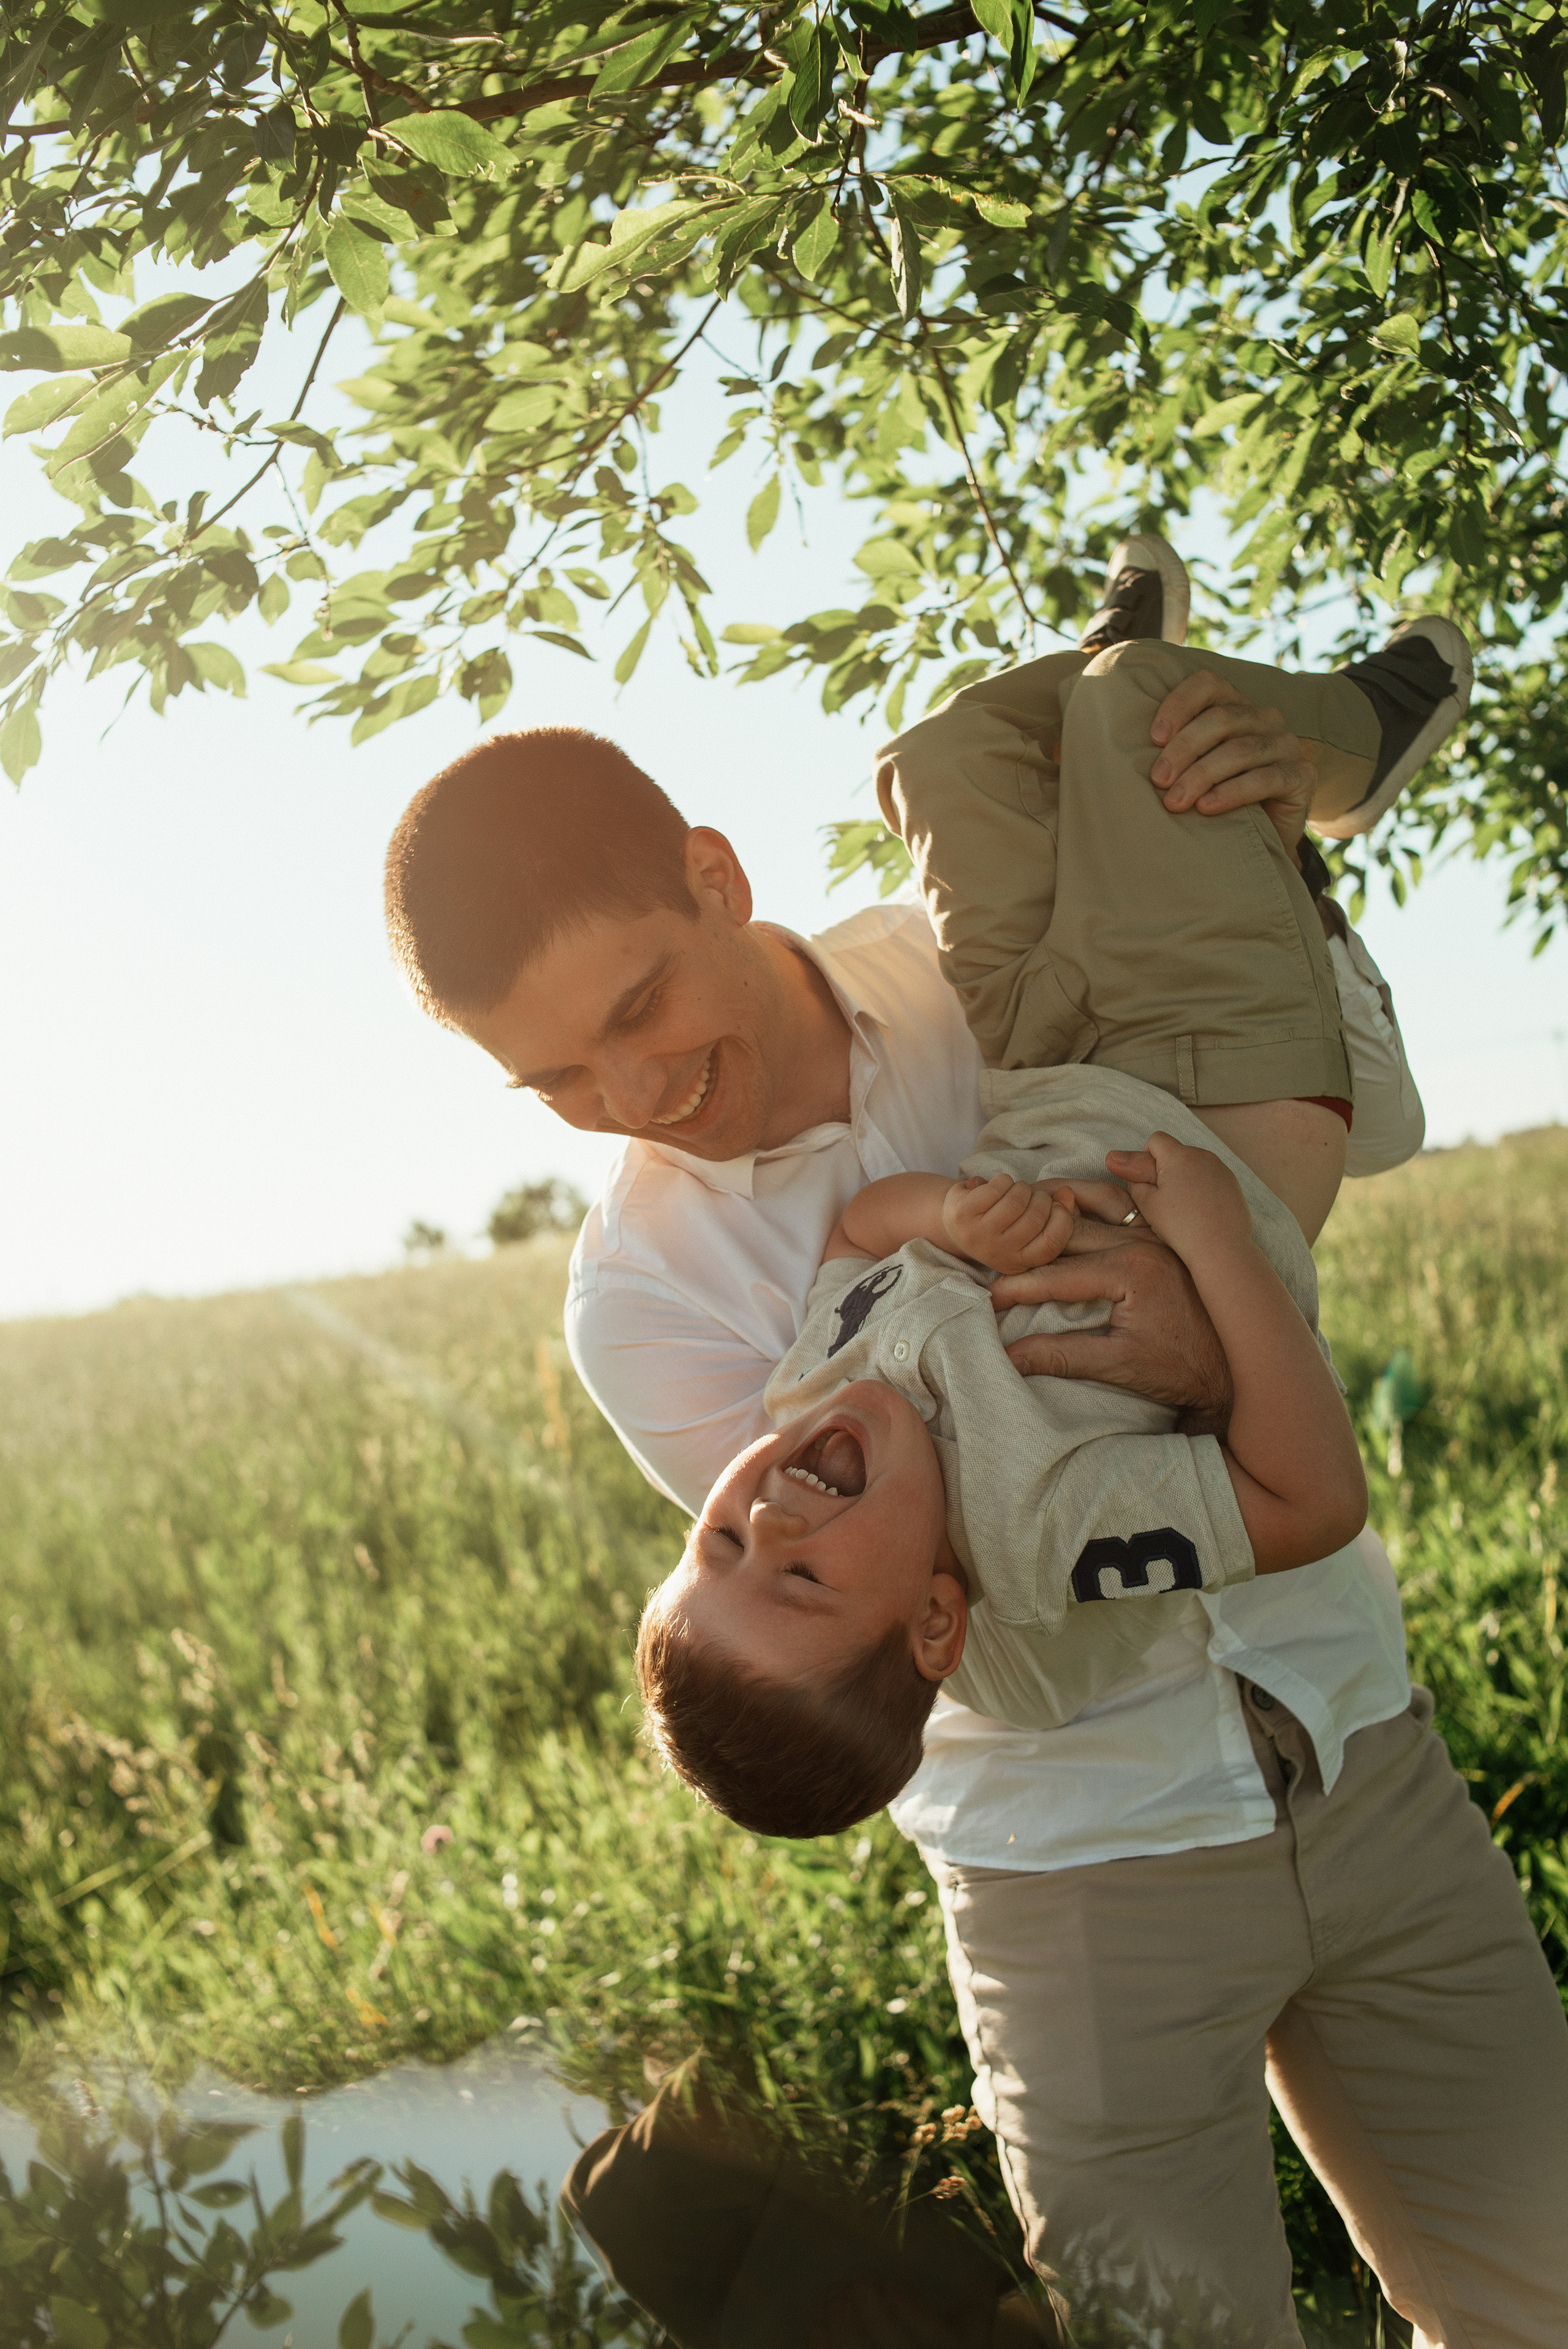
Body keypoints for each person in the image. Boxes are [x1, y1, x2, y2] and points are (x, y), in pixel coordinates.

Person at [383, 543, 1568, 2346]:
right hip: (1081, 1871)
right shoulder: (644, 1299)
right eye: (556, 1082)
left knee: (1544, 2291)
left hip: (1358, 1741)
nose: (631, 1103)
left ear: (714, 876)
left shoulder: (954, 951)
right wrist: (1191, 1339)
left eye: (634, 1010)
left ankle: (1279, 720)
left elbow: (1359, 1124)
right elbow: (912, 1603)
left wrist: (1266, 859)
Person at [633, 599, 1419, 1830]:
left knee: (934, 764)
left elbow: (852, 1236)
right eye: (798, 1576)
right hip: (1224, 1114)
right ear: (936, 1616)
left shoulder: (805, 1402)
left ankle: (1092, 668)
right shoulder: (1037, 1525)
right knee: (1137, 701)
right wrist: (1211, 1234)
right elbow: (1309, 1502)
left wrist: (942, 1210)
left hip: (1041, 1074)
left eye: (718, 1547)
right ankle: (1358, 740)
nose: (767, 1516)